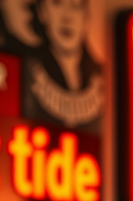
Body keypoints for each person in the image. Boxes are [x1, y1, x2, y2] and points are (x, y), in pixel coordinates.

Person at [22, 0, 104, 132]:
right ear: (42, 12)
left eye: (75, 6)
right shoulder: (25, 68)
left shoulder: (104, 80)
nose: (67, 17)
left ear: (86, 17)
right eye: (57, 3)